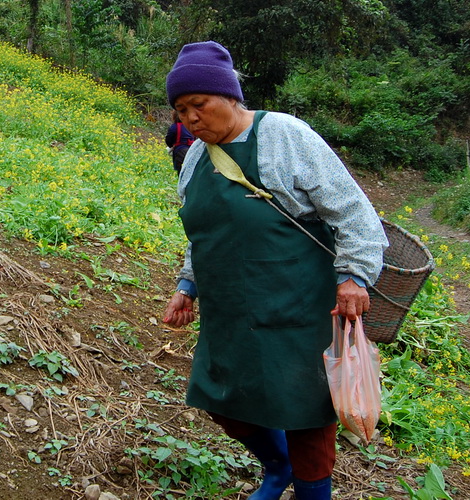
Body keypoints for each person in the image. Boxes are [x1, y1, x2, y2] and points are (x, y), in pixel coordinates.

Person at [160, 41, 387, 500]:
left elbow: (353, 212)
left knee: (306, 415)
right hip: (230, 310)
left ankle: (309, 490)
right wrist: (188, 284)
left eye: (199, 104)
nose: (191, 119)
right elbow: (202, 232)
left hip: (298, 307)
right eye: (182, 110)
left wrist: (354, 276)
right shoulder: (197, 159)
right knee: (223, 399)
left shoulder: (284, 134)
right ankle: (277, 467)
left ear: (229, 96)